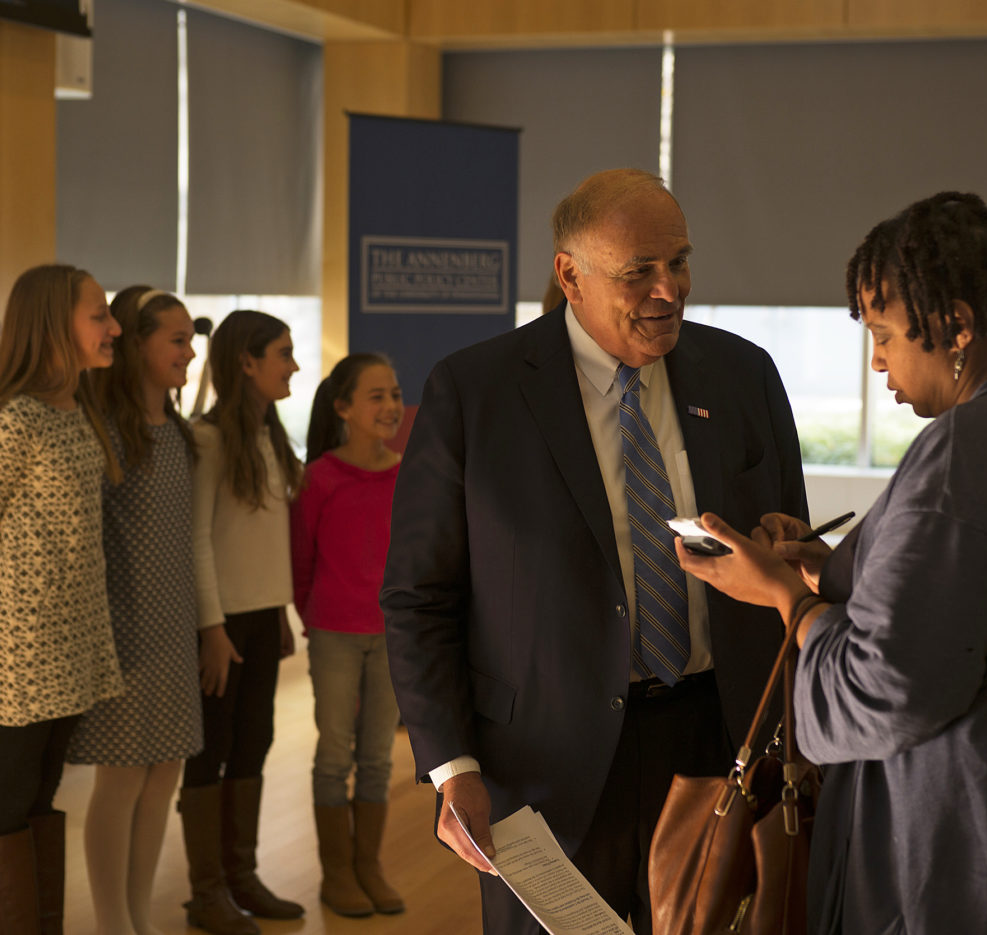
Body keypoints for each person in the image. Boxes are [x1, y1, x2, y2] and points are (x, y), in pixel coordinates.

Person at [676, 192, 987, 934]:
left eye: (882, 332)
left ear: (958, 325)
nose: (875, 358)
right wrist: (831, 566)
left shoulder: (967, 448)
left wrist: (787, 597)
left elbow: (890, 688)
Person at [381, 168, 808, 934]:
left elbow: (792, 555)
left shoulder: (743, 375)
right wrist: (452, 765)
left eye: (678, 262)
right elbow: (420, 596)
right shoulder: (475, 392)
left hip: (723, 739)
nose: (668, 290)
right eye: (638, 272)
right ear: (569, 275)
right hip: (545, 765)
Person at [0, 263, 125, 933]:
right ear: (55, 324)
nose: (114, 328)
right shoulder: (16, 417)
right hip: (24, 644)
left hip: (73, 634)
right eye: (99, 315)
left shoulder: (76, 408)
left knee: (43, 792)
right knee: (8, 795)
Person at [65, 286, 203, 935]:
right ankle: (111, 921)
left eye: (189, 338)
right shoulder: (104, 432)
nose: (189, 350)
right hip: (123, 631)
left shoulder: (176, 431)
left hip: (173, 629)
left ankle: (140, 915)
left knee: (164, 771)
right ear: (137, 345)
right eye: (176, 339)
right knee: (120, 778)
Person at [180, 309, 305, 935]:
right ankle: (206, 892)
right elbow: (198, 541)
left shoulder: (269, 435)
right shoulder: (205, 439)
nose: (295, 365)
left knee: (254, 743)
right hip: (221, 624)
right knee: (212, 751)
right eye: (283, 353)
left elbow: (263, 536)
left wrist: (278, 607)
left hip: (259, 617)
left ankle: (241, 877)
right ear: (245, 362)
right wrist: (211, 628)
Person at [291, 353, 405, 918]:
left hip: (391, 638)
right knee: (335, 752)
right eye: (375, 396)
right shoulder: (319, 478)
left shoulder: (406, 473)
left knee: (379, 756)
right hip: (334, 632)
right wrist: (312, 621)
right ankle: (337, 873)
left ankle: (369, 866)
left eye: (394, 394)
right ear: (343, 409)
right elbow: (301, 561)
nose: (390, 406)